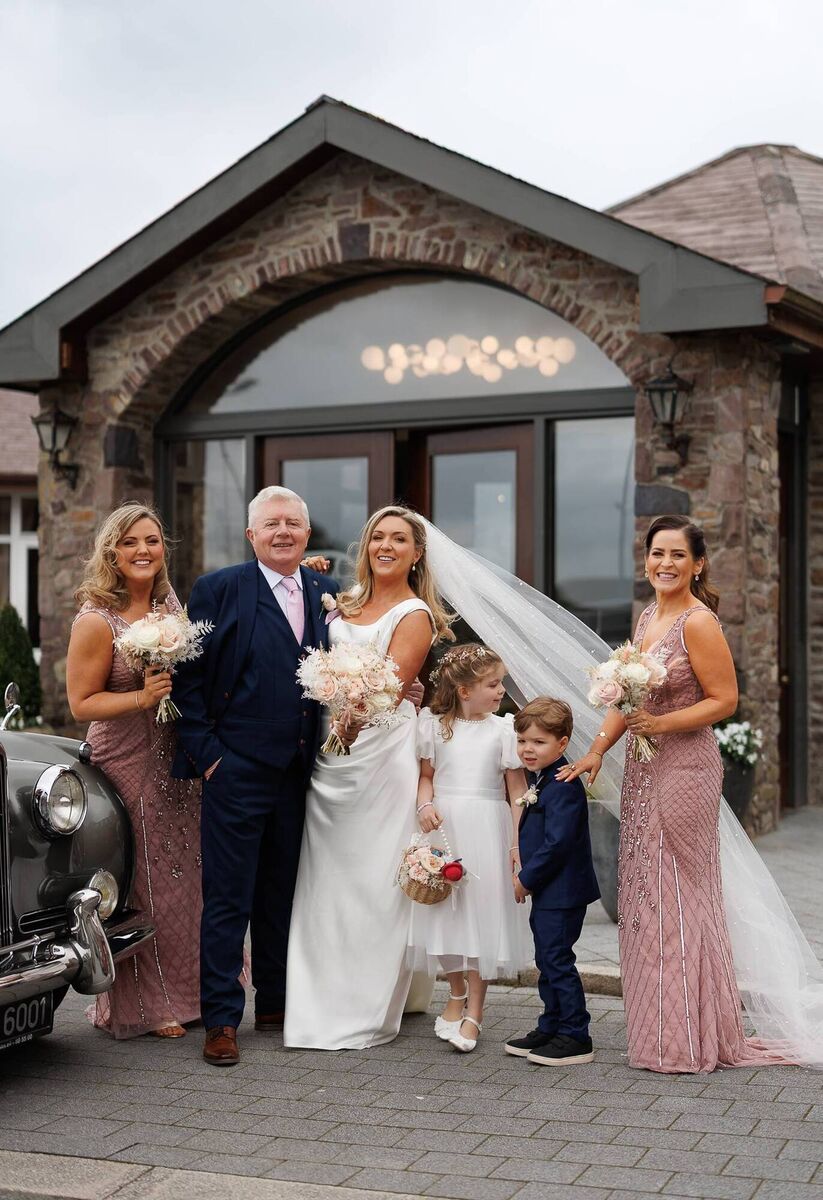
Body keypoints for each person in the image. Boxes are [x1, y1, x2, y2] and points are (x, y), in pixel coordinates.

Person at [558, 515, 792, 1073]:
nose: (665, 563)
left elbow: (725, 700)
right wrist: (595, 750)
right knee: (649, 897)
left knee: (682, 895)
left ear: (698, 563)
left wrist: (662, 727)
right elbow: (626, 697)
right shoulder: (646, 617)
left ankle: (689, 1037)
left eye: (677, 556)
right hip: (643, 770)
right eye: (656, 553)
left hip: (686, 768)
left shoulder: (698, 623)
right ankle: (664, 1030)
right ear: (646, 560)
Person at [171, 486, 339, 1066]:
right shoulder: (218, 590)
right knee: (227, 899)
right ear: (252, 536)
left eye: (294, 522)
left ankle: (275, 1002)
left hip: (299, 772)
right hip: (234, 768)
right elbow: (188, 683)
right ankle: (221, 1018)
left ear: (307, 534)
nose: (283, 532)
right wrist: (210, 757)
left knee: (281, 892)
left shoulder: (327, 592)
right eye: (272, 524)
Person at [284, 505, 453, 1050]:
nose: (385, 546)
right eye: (377, 536)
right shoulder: (342, 600)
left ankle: (365, 1006)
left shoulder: (415, 614)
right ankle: (313, 1000)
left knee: (373, 877)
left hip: (380, 753)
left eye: (398, 539)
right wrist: (307, 579)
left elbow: (389, 686)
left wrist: (351, 718)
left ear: (416, 552)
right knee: (326, 875)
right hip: (330, 755)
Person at [66, 503, 200, 1039]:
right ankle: (147, 1004)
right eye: (130, 543)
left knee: (188, 877)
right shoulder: (97, 619)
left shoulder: (172, 607)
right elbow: (81, 702)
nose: (143, 550)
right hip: (126, 762)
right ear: (112, 554)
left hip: (178, 762)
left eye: (152, 540)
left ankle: (195, 994)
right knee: (143, 881)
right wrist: (141, 697)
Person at [407, 643, 532, 1053]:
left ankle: (475, 1010)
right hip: (445, 830)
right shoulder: (434, 725)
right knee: (443, 914)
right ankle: (456, 991)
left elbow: (517, 791)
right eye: (492, 684)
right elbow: (427, 775)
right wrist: (424, 803)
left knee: (481, 918)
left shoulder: (503, 730)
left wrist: (517, 844)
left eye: (500, 684)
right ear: (463, 689)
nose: (500, 691)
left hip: (485, 830)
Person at [504, 698, 600, 1065]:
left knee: (557, 959)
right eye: (522, 741)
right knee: (546, 956)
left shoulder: (563, 784)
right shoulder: (543, 777)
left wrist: (525, 879)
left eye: (538, 742)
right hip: (550, 889)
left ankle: (575, 1034)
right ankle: (551, 1023)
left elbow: (557, 843)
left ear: (562, 744)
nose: (528, 749)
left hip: (561, 889)